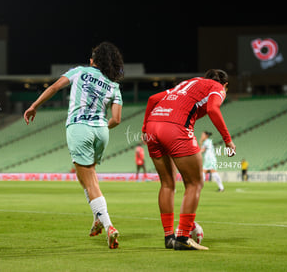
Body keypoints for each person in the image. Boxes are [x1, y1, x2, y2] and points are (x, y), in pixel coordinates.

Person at [23, 42, 124, 249]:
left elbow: (54, 87)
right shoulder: (113, 84)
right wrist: (99, 126)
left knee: (88, 181)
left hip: (79, 127)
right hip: (101, 130)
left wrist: (34, 106)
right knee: (90, 177)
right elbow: (116, 119)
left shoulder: (79, 71)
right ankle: (97, 218)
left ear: (92, 60)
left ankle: (109, 225)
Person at [142, 69, 236, 250]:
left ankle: (169, 237)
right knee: (195, 183)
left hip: (154, 125)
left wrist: (145, 127)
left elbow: (153, 99)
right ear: (224, 85)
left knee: (167, 184)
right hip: (175, 127)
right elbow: (212, 108)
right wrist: (227, 140)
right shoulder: (217, 87)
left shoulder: (188, 83)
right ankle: (183, 237)